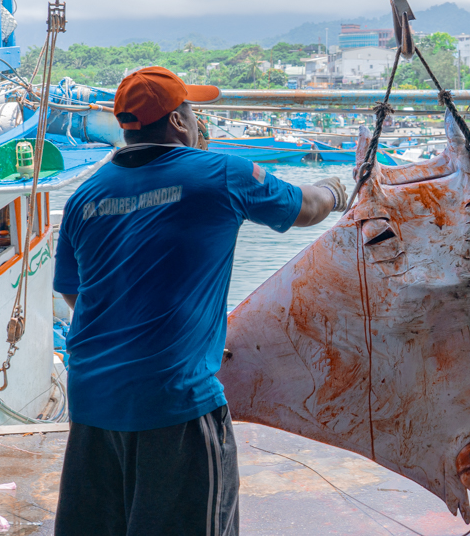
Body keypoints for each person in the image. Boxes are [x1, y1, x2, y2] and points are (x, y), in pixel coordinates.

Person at [52, 66, 347, 536]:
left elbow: (75, 292)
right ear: (176, 121)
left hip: (91, 402)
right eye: (191, 109)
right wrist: (336, 189)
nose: (196, 120)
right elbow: (306, 208)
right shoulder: (220, 175)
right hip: (176, 402)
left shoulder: (84, 197)